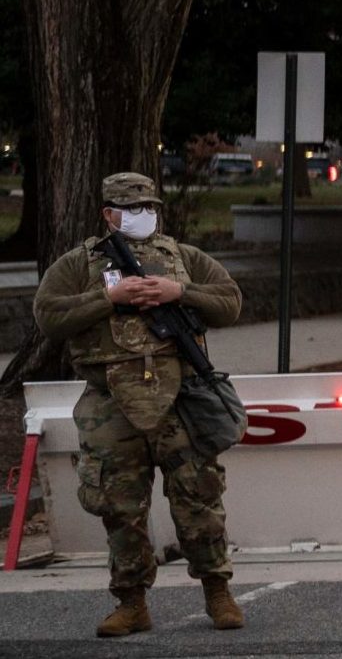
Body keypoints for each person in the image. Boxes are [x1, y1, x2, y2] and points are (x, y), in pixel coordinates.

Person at [32, 173, 245, 637]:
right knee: (120, 507)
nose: (143, 215)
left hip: (181, 399)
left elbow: (230, 302)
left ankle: (218, 591)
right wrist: (109, 299)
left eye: (149, 206)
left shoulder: (183, 258)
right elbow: (49, 315)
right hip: (111, 403)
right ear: (108, 214)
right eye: (132, 208)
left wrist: (178, 292)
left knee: (199, 498)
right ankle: (131, 603)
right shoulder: (78, 263)